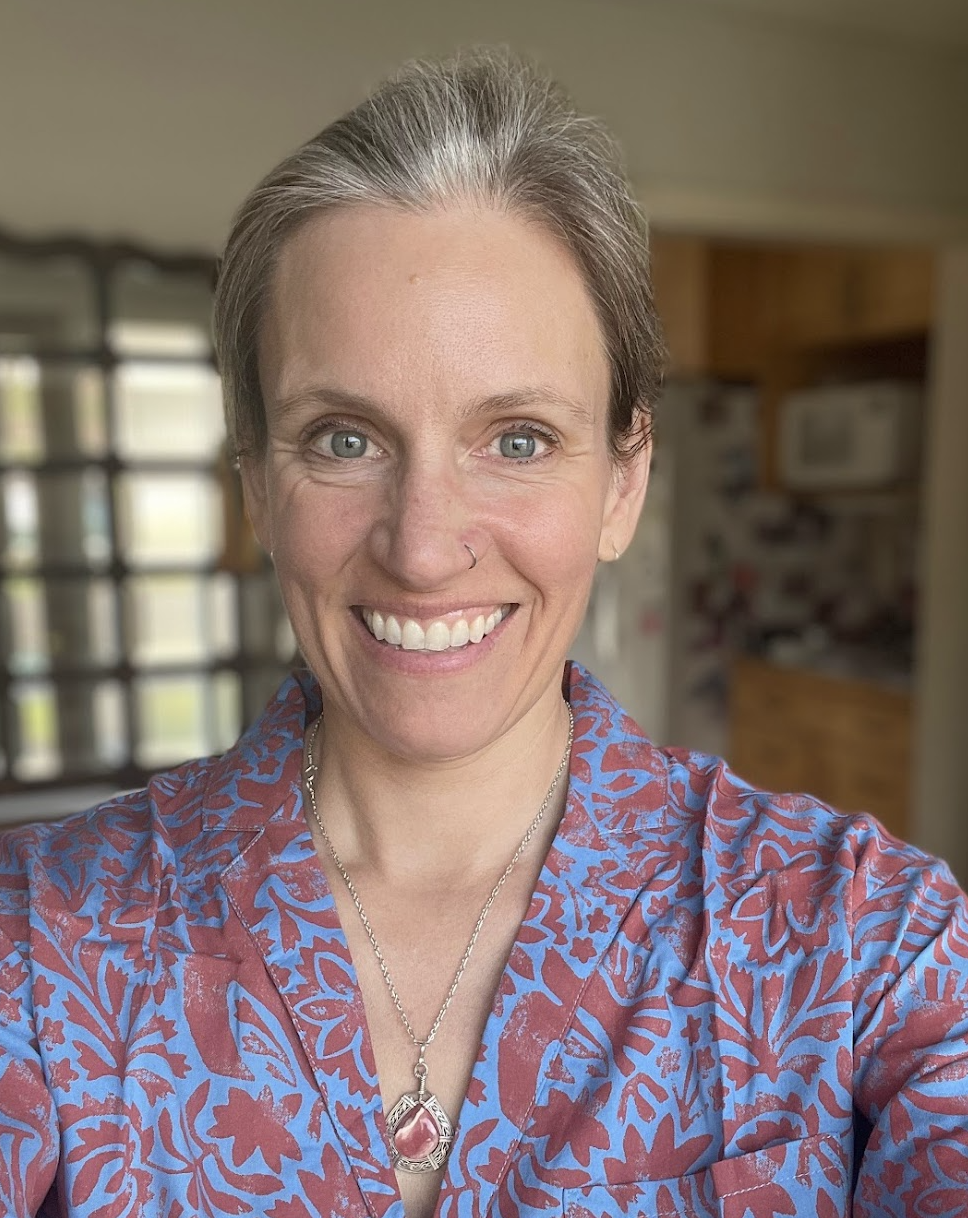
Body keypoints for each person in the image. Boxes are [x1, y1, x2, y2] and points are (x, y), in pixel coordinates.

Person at [1, 49, 967, 1218]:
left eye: (514, 439)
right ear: (255, 483)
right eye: (343, 439)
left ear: (621, 482)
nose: (421, 546)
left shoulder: (866, 944)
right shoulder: (45, 940)